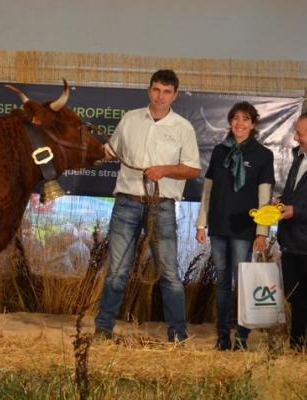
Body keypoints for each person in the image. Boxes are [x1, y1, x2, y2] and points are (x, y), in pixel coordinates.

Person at [94, 69, 201, 342]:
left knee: (169, 273)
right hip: (126, 203)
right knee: (117, 271)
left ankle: (177, 333)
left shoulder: (183, 128)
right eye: (156, 90)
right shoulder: (130, 119)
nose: (160, 96)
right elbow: (110, 151)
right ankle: (102, 329)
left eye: (166, 92)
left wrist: (163, 170)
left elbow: (192, 170)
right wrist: (92, 153)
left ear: (174, 95)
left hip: (162, 206)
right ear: (148, 90)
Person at [196, 101, 274, 351]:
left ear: (253, 124)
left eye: (246, 119)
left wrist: (262, 231)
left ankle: (241, 336)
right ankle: (222, 336)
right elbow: (207, 191)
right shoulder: (219, 151)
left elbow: (265, 197)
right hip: (218, 226)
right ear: (230, 122)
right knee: (221, 283)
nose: (240, 123)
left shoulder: (263, 155)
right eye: (235, 118)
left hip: (244, 229)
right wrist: (201, 224)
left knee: (242, 283)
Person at [278, 112, 307, 351]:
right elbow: (293, 193)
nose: (296, 137)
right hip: (291, 242)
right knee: (295, 297)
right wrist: (281, 202)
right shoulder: (298, 158)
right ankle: (297, 345)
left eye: (301, 133)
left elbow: (299, 206)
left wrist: (295, 211)